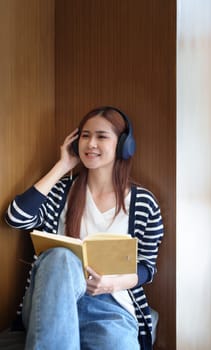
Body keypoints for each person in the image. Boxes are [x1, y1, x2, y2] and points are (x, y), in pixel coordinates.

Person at [5, 106, 164, 350]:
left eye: (101, 136)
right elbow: (16, 217)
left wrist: (112, 284)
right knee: (59, 256)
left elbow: (147, 266)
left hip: (111, 306)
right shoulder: (61, 193)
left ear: (123, 145)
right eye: (85, 135)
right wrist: (62, 166)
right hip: (52, 302)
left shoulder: (143, 203)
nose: (90, 144)